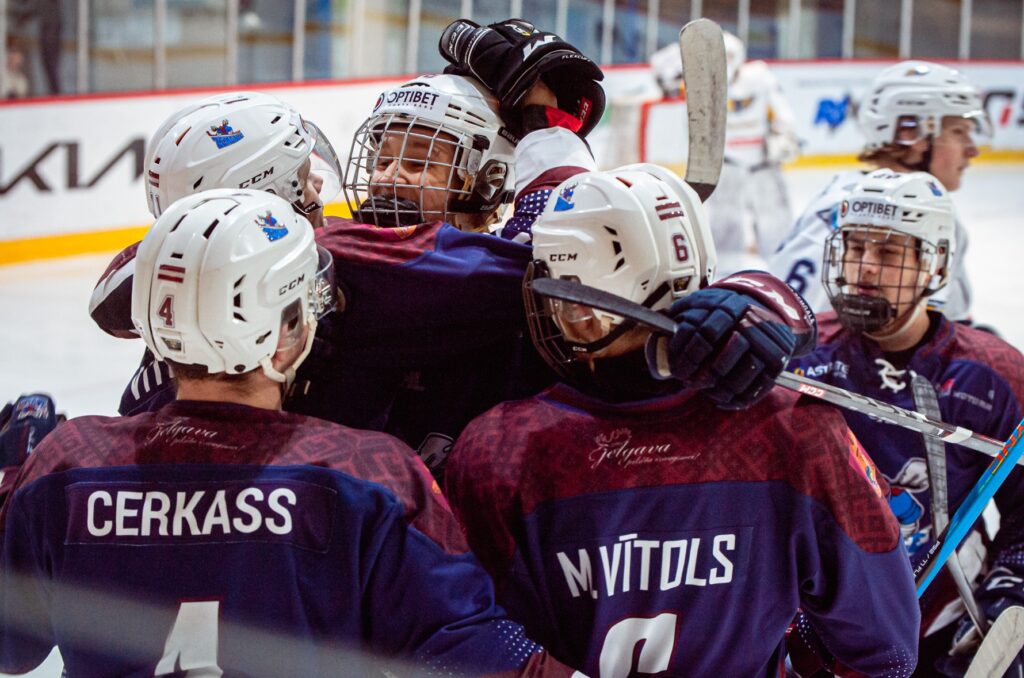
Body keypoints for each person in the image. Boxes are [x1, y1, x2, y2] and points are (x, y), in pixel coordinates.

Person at [90, 19, 811, 468]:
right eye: (389, 151)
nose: (396, 174)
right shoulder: (359, 262)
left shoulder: (360, 260)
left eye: (426, 158)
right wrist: (551, 141)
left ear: (484, 175)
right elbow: (546, 264)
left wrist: (758, 302)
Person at [0, 188, 578, 677]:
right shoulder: (368, 473)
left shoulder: (67, 465)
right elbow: (476, 653)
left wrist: (10, 480)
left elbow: (12, 645)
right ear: (284, 334)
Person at [444, 163, 920, 677]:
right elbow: (889, 649)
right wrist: (790, 632)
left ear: (583, 311)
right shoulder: (798, 431)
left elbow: (468, 635)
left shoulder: (498, 449)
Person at [784, 169, 1024, 674]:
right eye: (854, 248)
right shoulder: (796, 357)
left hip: (943, 623)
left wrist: (1012, 586)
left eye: (888, 253)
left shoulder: (994, 375)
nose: (864, 269)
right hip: (814, 630)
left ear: (933, 264)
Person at [769, 60, 990, 323]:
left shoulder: (927, 210)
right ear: (911, 132)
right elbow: (796, 335)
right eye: (958, 132)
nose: (972, 149)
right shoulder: (857, 215)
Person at [649, 30, 800, 276]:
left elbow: (783, 115)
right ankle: (724, 278)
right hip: (726, 165)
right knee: (724, 230)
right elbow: (661, 73)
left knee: (777, 227)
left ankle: (784, 275)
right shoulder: (699, 81)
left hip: (763, 165)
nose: (726, 62)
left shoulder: (760, 79)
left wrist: (783, 137)